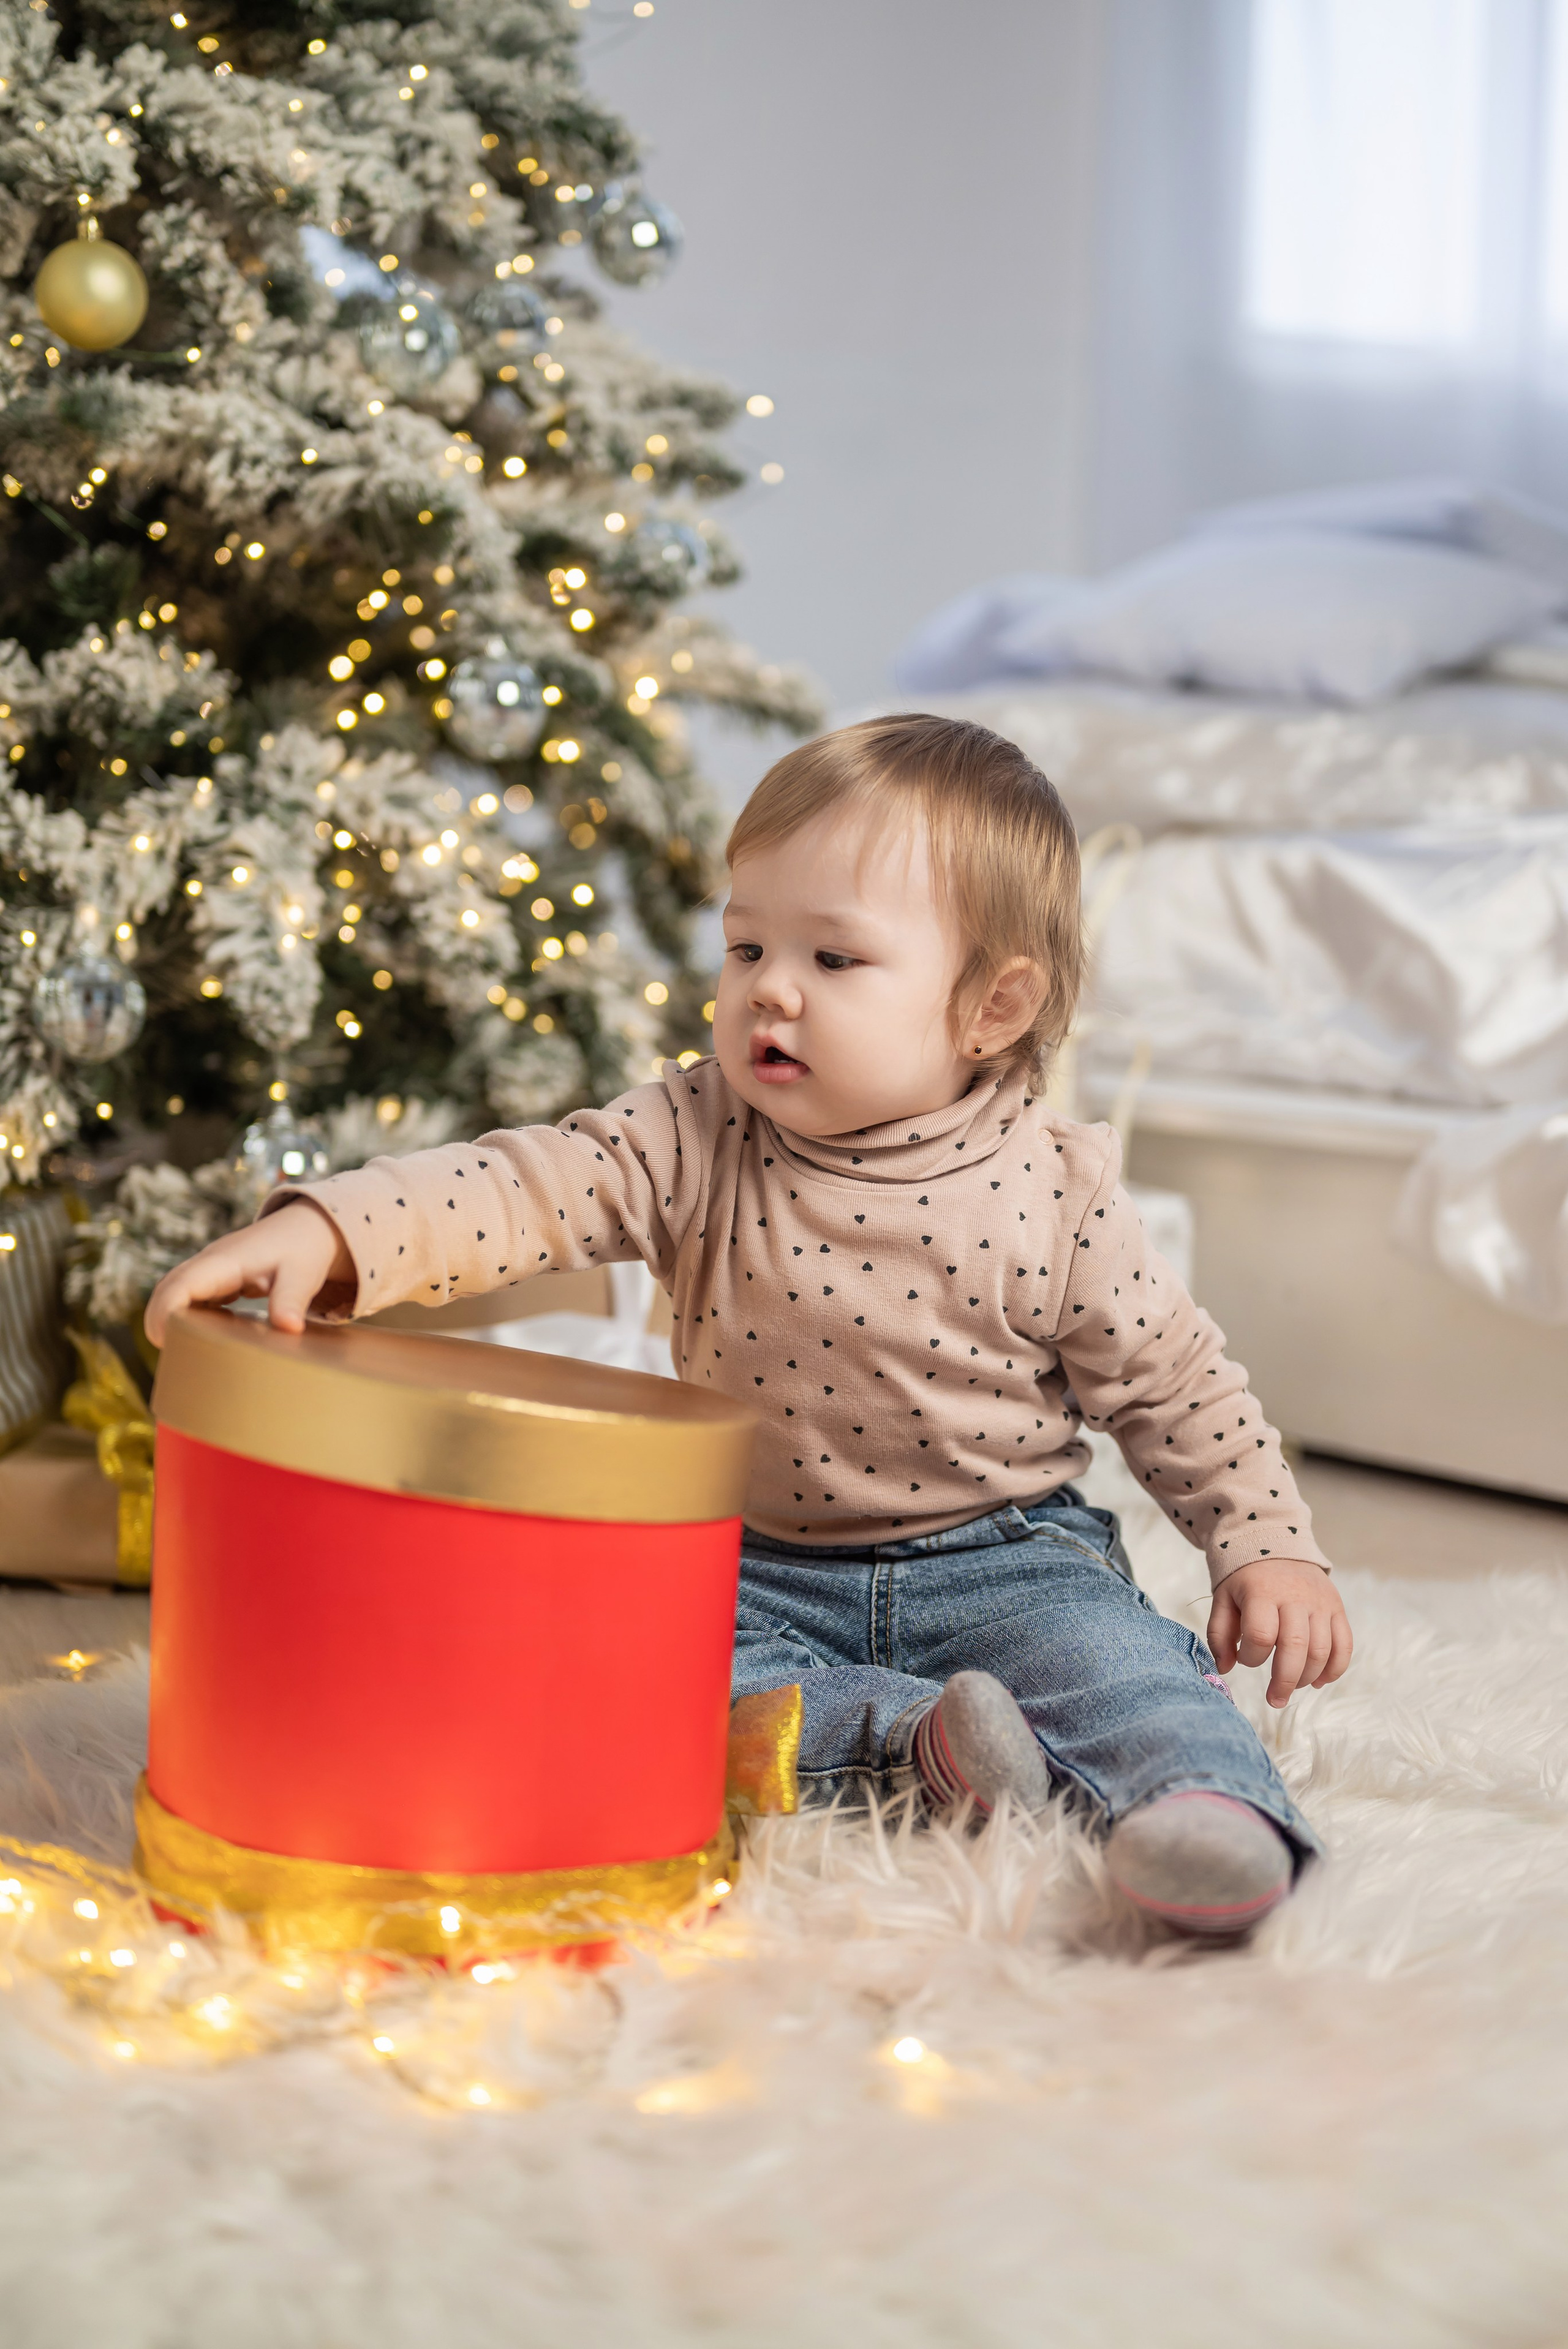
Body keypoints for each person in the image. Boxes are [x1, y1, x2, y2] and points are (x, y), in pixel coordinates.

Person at [146, 714, 1352, 1937]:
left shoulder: (1056, 1191)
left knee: (1117, 1667)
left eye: (833, 957)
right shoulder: (694, 1134)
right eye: (746, 945)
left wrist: (1265, 1545)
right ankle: (916, 1748)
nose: (768, 986)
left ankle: (1201, 1811)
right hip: (753, 1561)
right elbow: (526, 1186)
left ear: (991, 1008)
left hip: (1008, 1552)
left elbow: (1175, 1383)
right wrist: (339, 1231)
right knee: (646, 1691)